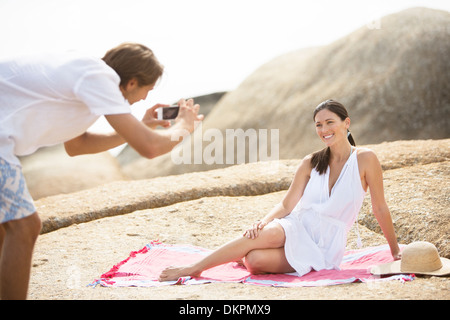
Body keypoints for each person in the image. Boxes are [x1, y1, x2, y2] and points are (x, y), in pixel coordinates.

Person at [0, 42, 203, 299]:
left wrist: (140, 126)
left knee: (6, 229)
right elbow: (150, 148)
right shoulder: (98, 77)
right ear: (131, 83)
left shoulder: (86, 79)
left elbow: (77, 145)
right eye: (146, 90)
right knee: (24, 227)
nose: (144, 99)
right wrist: (184, 127)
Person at [159, 99, 401, 281]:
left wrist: (395, 251)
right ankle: (194, 268)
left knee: (254, 262)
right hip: (295, 225)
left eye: (330, 122)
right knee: (271, 234)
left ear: (346, 123)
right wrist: (261, 222)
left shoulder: (366, 159)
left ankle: (240, 253)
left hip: (324, 246)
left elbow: (380, 207)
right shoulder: (311, 162)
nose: (324, 129)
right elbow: (287, 205)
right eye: (319, 124)